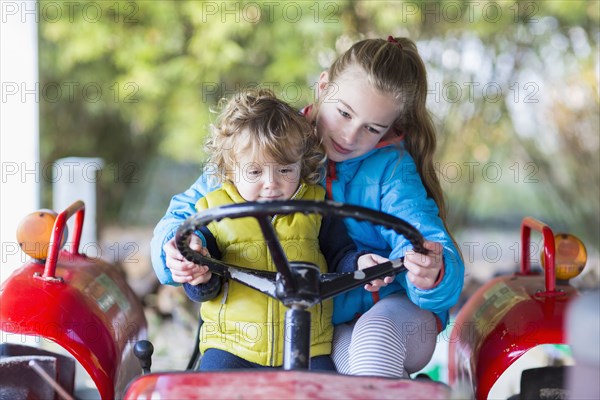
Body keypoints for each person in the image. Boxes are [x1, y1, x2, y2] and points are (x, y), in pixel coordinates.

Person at [151, 36, 465, 378]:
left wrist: (430, 271)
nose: (349, 136)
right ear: (323, 86)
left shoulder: (390, 171)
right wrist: (177, 250)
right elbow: (185, 215)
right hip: (328, 322)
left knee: (374, 342)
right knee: (339, 373)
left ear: (391, 129)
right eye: (343, 113)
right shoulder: (269, 145)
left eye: (372, 129)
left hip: (393, 310)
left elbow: (425, 240)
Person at [178, 88, 384, 371]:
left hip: (309, 347)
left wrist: (361, 263)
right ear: (230, 169)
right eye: (255, 172)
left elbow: (340, 254)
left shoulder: (317, 205)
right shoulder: (214, 212)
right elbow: (205, 288)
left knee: (330, 389)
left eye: (286, 170)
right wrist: (198, 275)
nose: (271, 183)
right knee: (210, 385)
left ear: (302, 164)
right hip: (232, 346)